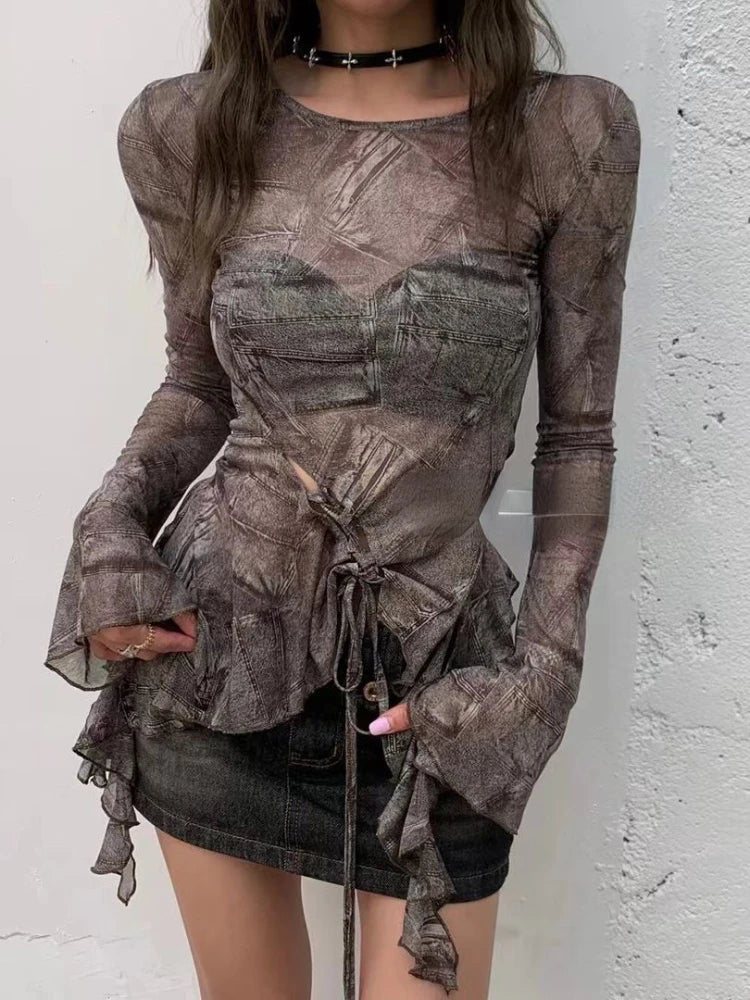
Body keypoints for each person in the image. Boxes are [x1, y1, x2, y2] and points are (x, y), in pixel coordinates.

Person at [44, 1, 641, 997]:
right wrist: (109, 526)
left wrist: (546, 672)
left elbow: (577, 437)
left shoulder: (566, 131)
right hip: (219, 669)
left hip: (439, 690)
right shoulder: (187, 126)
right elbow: (196, 383)